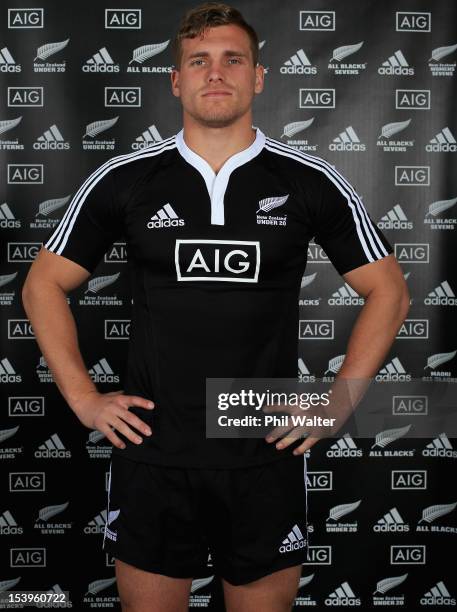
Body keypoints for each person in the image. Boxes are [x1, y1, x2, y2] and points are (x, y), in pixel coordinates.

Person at [22, 2, 410, 611]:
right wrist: (83, 397)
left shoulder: (310, 180)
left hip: (261, 444)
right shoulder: (125, 178)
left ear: (258, 76)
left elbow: (389, 289)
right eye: (198, 61)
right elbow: (42, 284)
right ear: (176, 80)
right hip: (153, 446)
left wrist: (342, 400)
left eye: (234, 59)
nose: (216, 73)